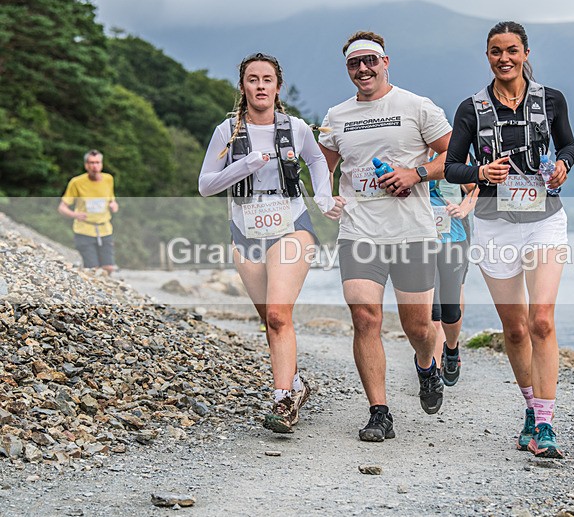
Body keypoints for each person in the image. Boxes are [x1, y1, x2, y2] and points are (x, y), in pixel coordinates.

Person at [444, 21, 574, 459]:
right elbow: (452, 168)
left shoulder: (551, 99)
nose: (505, 58)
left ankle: (546, 424)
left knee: (541, 320)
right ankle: (530, 408)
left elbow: (569, 148)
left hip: (544, 221)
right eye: (496, 51)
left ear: (525, 53)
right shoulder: (472, 108)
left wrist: (562, 167)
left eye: (512, 50)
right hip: (495, 225)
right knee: (516, 329)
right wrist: (481, 173)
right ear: (487, 56)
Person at [198, 53, 344, 433]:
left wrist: (325, 200)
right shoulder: (226, 132)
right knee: (270, 319)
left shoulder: (295, 128)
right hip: (245, 228)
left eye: (267, 79)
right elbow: (205, 186)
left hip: (290, 225)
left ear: (278, 86)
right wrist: (243, 165)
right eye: (252, 79)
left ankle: (281, 402)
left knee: (278, 314)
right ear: (243, 86)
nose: (260, 85)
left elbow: (316, 162)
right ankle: (295, 385)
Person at [318, 31, 452, 442]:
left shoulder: (416, 106)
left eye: (370, 61)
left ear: (385, 61)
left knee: (418, 328)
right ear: (348, 69)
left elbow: (454, 156)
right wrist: (326, 200)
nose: (363, 69)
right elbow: (321, 168)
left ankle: (427, 366)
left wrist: (416, 173)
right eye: (354, 64)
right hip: (359, 231)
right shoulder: (336, 116)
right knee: (365, 318)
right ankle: (379, 412)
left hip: (412, 231)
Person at [428, 152, 478, 386]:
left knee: (452, 298)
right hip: (421, 238)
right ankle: (432, 372)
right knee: (432, 310)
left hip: (455, 234)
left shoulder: (453, 152)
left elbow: (475, 187)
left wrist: (464, 209)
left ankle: (452, 348)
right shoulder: (406, 149)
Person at [58, 149, 119, 274]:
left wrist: (114, 205)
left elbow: (112, 200)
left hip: (105, 229)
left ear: (101, 164)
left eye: (97, 162)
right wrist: (74, 214)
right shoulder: (76, 182)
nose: (94, 166)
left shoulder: (108, 179)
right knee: (92, 270)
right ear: (86, 165)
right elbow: (62, 208)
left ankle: (106, 291)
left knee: (109, 268)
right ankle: (92, 291)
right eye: (91, 163)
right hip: (84, 231)